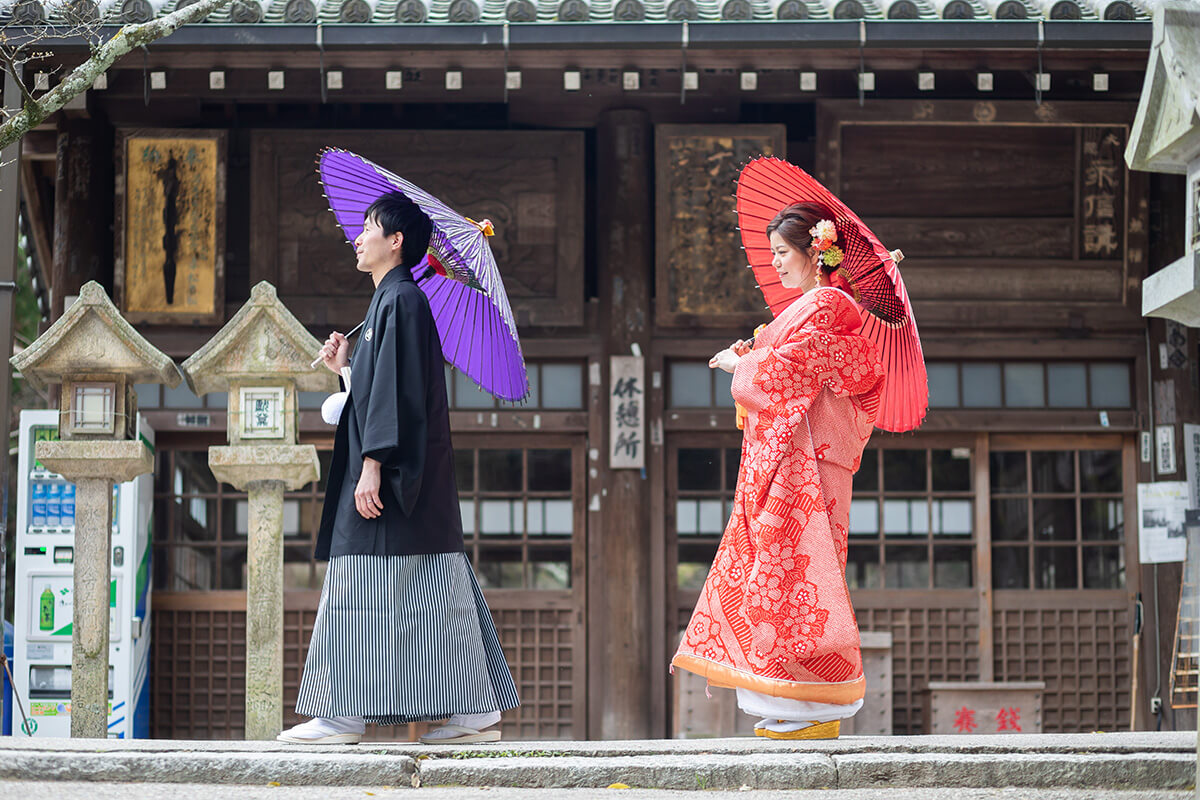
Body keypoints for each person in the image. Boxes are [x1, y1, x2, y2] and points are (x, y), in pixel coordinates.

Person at [278, 191, 519, 745]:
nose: (357, 237)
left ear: (397, 241)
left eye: (368, 227)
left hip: (391, 478)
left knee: (361, 585)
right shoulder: (393, 302)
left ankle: (343, 716)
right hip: (405, 479)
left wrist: (372, 466)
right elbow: (379, 388)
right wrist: (347, 367)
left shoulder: (401, 302)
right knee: (433, 591)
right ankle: (475, 712)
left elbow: (394, 396)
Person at [671, 202, 885, 740]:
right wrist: (755, 350)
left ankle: (807, 702)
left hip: (807, 466)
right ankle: (793, 701)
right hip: (799, 460)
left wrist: (742, 363)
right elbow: (789, 363)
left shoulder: (828, 304)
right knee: (781, 574)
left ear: (816, 253)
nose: (776, 264)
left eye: (783, 253)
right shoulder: (818, 306)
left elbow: (791, 372)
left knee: (796, 575)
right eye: (771, 254)